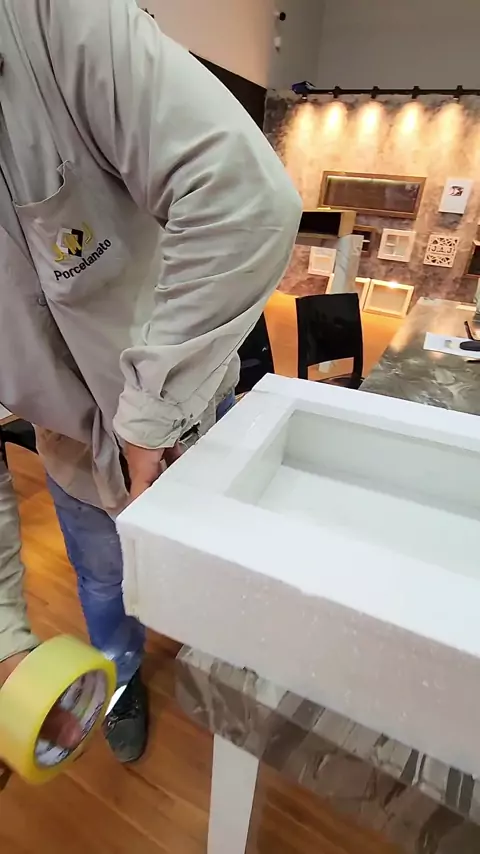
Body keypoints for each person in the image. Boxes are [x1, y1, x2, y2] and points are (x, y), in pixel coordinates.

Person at [0, 0, 302, 765]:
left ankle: (231, 670)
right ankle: (125, 676)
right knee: (103, 582)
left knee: (216, 563)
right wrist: (4, 637)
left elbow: (247, 201)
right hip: (71, 449)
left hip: (184, 417)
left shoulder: (53, 21)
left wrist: (150, 418)